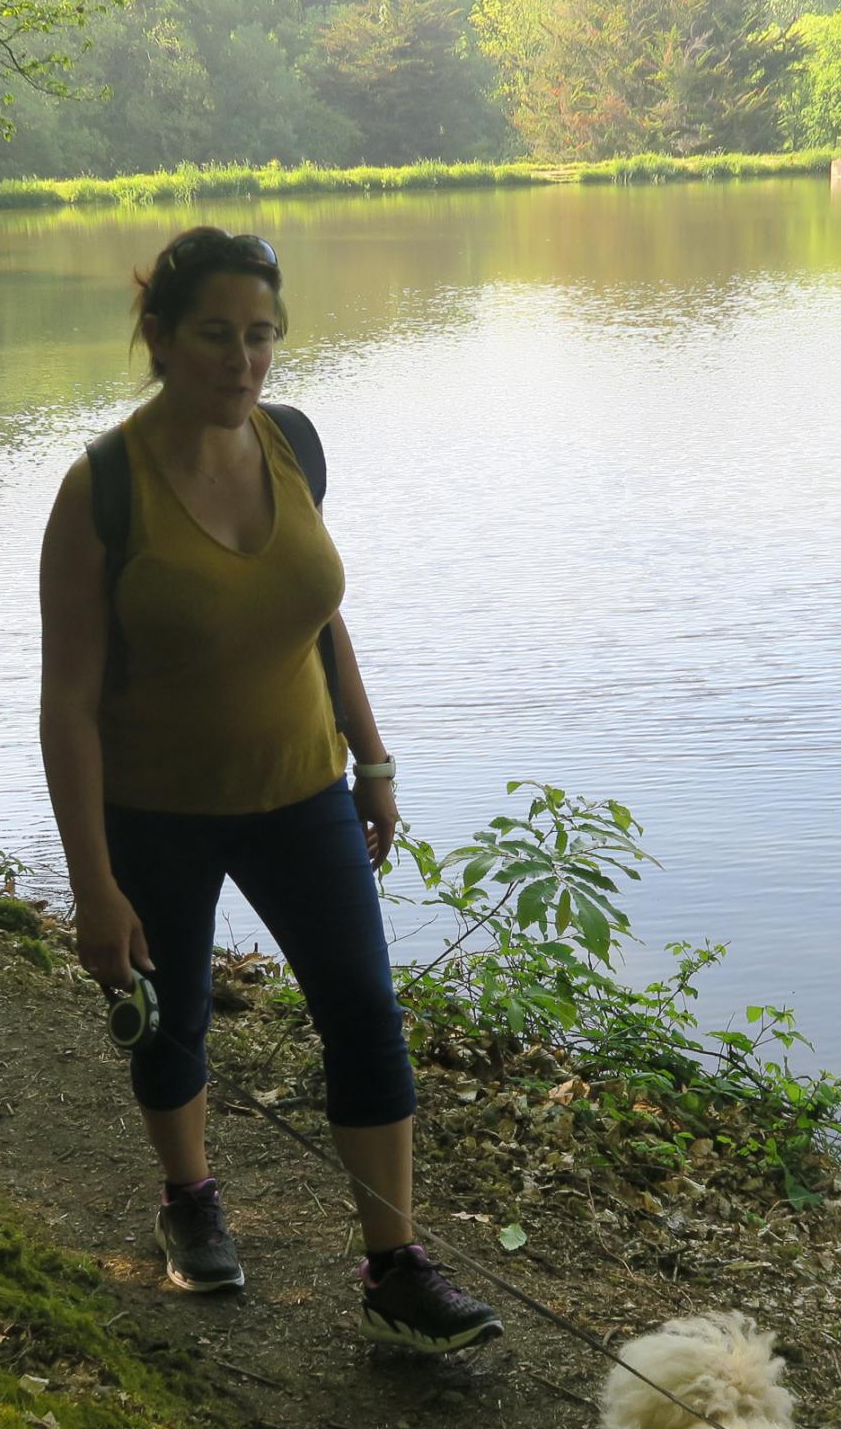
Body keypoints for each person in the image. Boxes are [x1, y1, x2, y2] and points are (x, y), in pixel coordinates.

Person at [38, 225, 502, 1355]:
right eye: (214, 336)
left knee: (364, 1013)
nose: (241, 363)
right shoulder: (101, 489)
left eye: (260, 337)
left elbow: (317, 612)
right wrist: (94, 887)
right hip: (158, 808)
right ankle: (190, 1202)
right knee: (175, 1016)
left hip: (304, 790)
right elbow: (68, 705)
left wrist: (373, 755)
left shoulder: (292, 443)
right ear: (158, 335)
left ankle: (393, 1263)